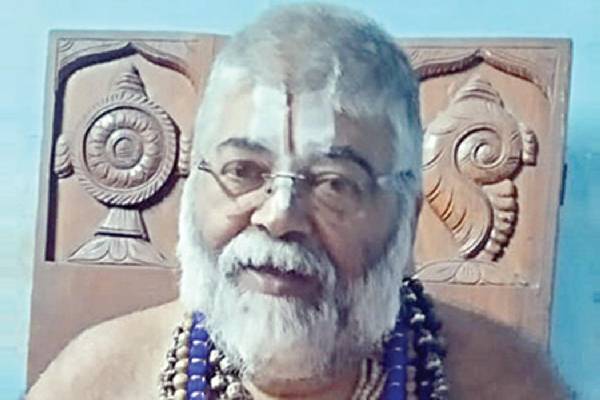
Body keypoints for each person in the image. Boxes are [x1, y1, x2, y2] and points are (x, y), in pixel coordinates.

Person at [27, 4, 568, 400]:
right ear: (193, 190)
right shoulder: (96, 381)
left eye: (335, 183)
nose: (279, 215)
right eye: (243, 171)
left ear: (408, 220)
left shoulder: (508, 383)